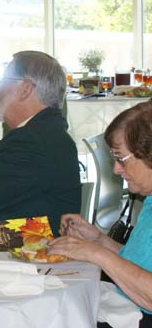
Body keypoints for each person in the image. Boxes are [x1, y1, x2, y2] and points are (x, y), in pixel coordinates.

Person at [0, 51, 80, 235]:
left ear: (25, 89)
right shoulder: (46, 132)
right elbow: (19, 188)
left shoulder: (30, 140)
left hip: (34, 252)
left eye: (3, 79)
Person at [49, 101, 152, 327]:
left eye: (120, 157)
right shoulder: (150, 198)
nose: (116, 169)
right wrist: (99, 240)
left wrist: (97, 254)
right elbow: (141, 263)